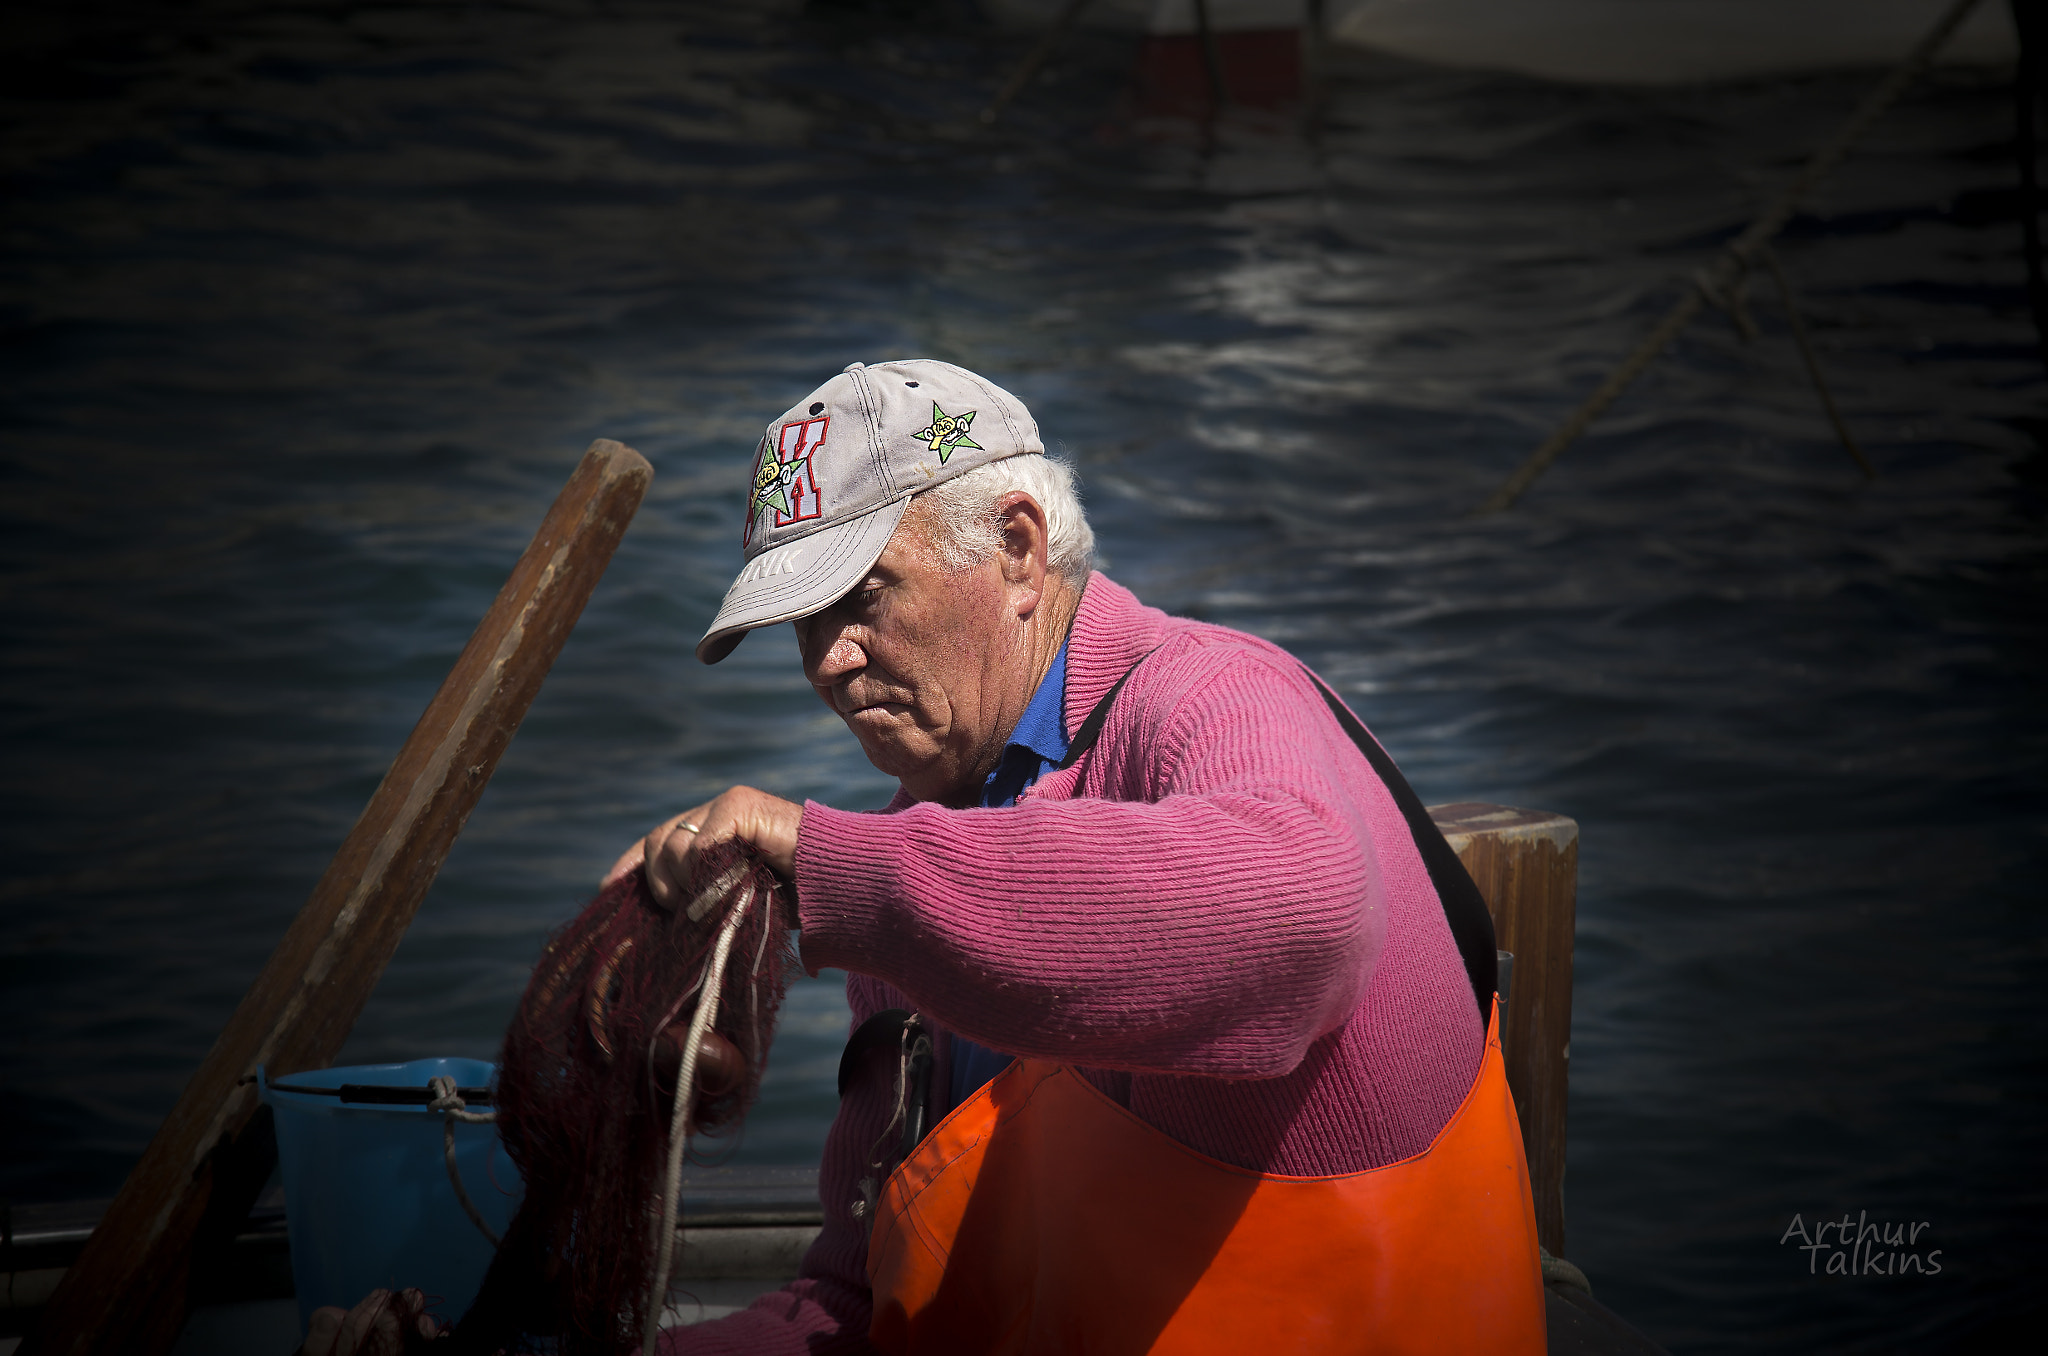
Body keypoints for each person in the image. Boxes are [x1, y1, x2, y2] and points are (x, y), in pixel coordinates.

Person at [303, 358, 1545, 1356]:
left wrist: (827, 870)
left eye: (862, 598)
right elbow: (859, 1311)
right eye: (800, 625)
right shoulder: (912, 869)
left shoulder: (1211, 698)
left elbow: (1297, 929)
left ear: (1015, 549)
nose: (827, 665)